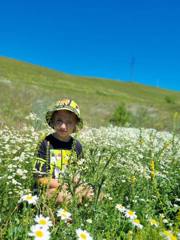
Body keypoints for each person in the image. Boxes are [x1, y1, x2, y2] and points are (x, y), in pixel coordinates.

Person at [33, 98, 93, 203]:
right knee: (64, 196)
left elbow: (79, 173)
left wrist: (76, 184)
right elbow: (40, 178)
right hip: (48, 189)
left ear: (75, 126)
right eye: (59, 120)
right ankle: (54, 215)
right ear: (52, 121)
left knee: (93, 193)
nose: (63, 126)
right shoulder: (45, 143)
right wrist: (62, 186)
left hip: (70, 188)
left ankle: (74, 215)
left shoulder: (77, 146)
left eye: (69, 122)